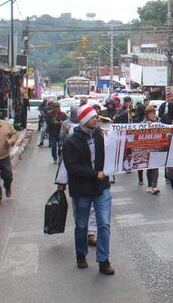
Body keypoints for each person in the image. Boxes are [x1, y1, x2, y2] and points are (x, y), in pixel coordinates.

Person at [62, 104, 114, 275]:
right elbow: (72, 167)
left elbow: (112, 151)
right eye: (93, 117)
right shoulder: (71, 141)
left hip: (101, 188)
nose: (96, 119)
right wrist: (94, 174)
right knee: (82, 224)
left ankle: (103, 260)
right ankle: (81, 254)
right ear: (84, 120)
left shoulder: (100, 135)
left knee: (104, 224)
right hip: (82, 190)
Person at [139, 106, 161, 194]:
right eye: (150, 113)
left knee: (155, 167)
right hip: (147, 148)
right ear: (147, 114)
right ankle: (149, 185)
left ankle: (155, 186)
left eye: (153, 113)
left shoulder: (159, 122)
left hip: (157, 148)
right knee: (149, 167)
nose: (152, 115)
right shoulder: (143, 123)